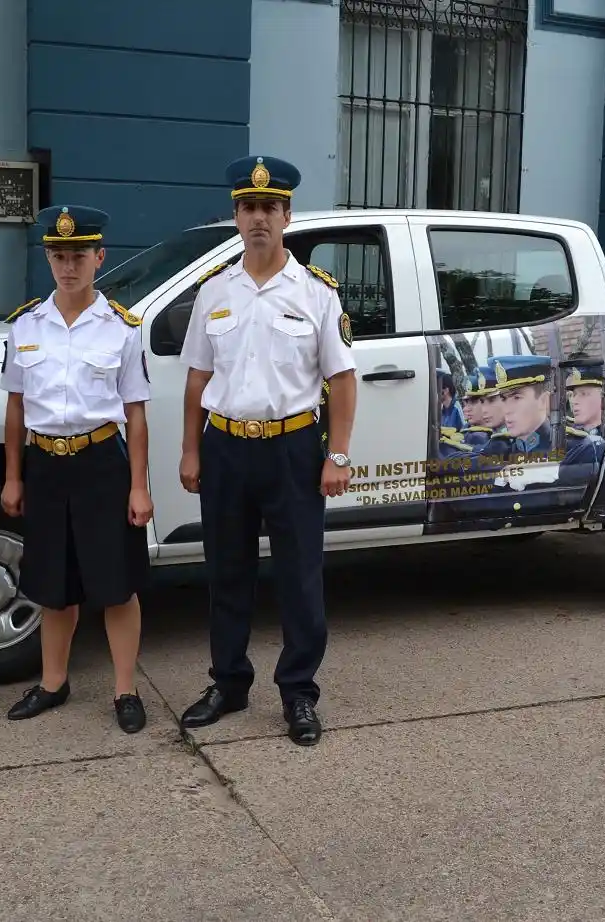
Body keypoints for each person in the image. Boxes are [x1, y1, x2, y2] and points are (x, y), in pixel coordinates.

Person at [176, 154, 358, 746]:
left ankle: (299, 694)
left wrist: (339, 455)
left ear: (287, 216)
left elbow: (343, 379)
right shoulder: (214, 292)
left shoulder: (315, 292)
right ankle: (228, 684)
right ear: (235, 215)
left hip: (293, 451)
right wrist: (190, 453)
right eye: (249, 208)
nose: (259, 219)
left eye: (270, 209)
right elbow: (198, 379)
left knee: (300, 577)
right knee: (226, 573)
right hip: (225, 447)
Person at [0, 205, 153, 734]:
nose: (69, 266)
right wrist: (14, 476)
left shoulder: (122, 328)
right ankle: (52, 683)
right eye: (59, 256)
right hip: (44, 465)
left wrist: (139, 487)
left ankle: (126, 690)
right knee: (52, 584)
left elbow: (135, 412)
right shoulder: (24, 327)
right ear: (48, 258)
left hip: (101, 465)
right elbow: (16, 406)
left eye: (79, 255)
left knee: (116, 585)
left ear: (98, 257)